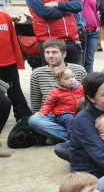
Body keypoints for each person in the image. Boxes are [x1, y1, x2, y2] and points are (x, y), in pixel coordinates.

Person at [28, 39, 87, 143]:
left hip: (78, 113)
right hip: (54, 117)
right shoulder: (37, 73)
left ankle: (62, 137)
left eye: (54, 52)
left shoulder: (79, 69)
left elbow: (87, 94)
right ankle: (78, 137)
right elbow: (35, 100)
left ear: (64, 54)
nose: (50, 56)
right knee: (33, 120)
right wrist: (38, 114)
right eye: (47, 52)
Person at [0, 8, 30, 153]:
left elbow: (13, 39)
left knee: (15, 91)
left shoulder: (4, 16)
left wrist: (18, 61)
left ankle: (22, 115)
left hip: (9, 61)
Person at [72, 0, 100, 73]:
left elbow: (95, 9)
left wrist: (98, 24)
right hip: (80, 31)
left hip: (93, 31)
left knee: (89, 61)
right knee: (80, 63)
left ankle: (89, 87)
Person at [36, 66, 83, 131]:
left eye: (72, 77)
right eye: (67, 78)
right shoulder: (55, 91)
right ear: (59, 82)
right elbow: (49, 104)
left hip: (78, 113)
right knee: (69, 119)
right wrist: (42, 112)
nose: (71, 79)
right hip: (63, 114)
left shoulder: (80, 87)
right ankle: (72, 135)